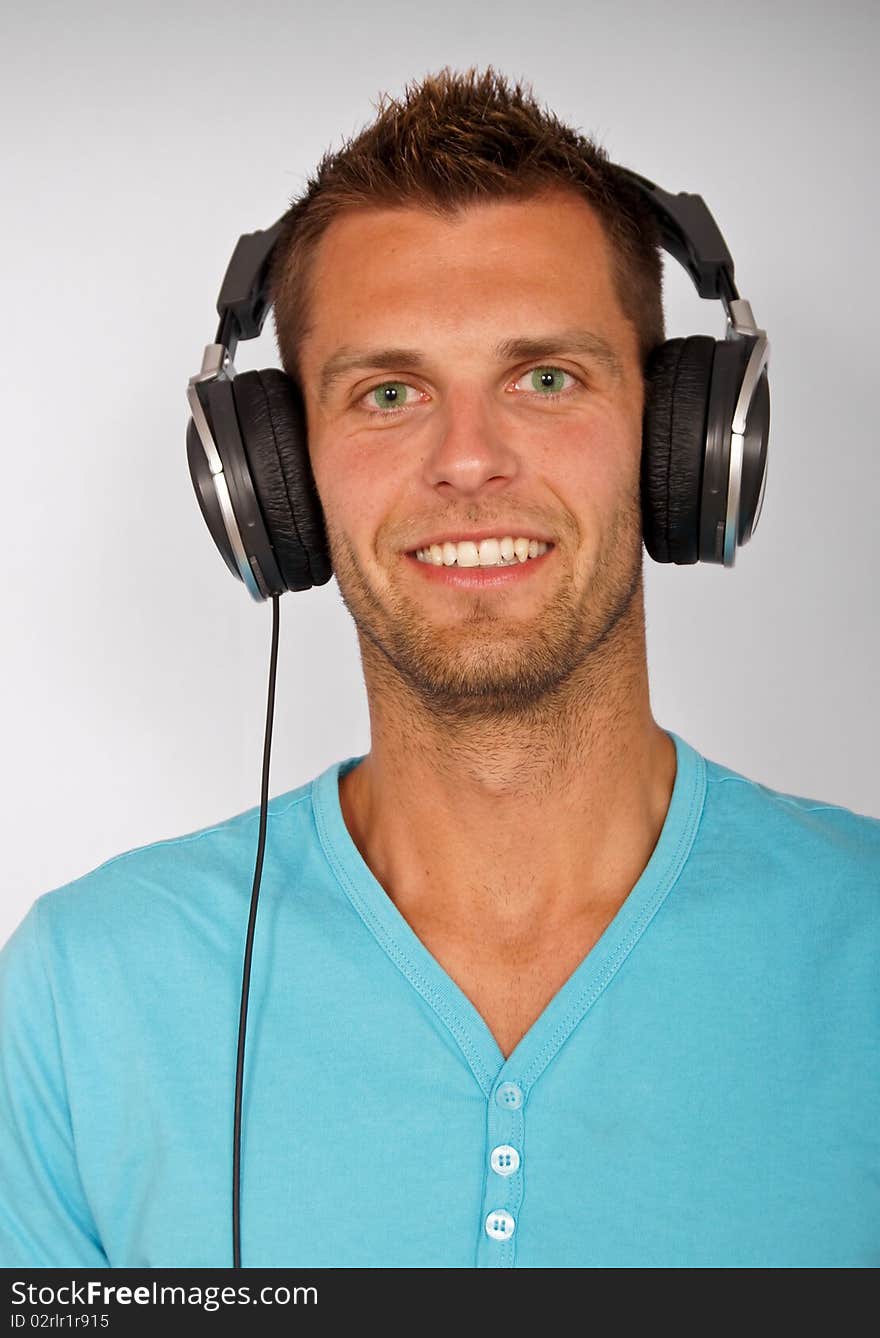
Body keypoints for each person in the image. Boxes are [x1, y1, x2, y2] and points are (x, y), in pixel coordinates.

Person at [1, 65, 878, 1271]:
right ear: (278, 479)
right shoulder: (82, 994)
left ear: (682, 440)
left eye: (546, 378)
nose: (468, 461)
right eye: (390, 391)